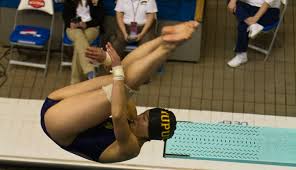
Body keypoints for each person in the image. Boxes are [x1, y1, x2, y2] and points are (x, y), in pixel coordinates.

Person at [40, 21, 199, 163]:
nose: (139, 118)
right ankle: (164, 39)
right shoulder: (132, 116)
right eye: (145, 115)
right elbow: (119, 79)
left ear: (149, 135)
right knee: (124, 76)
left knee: (125, 83)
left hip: (59, 127)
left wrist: (115, 67)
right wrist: (107, 61)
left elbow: (116, 115)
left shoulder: (131, 147)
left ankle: (168, 48)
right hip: (56, 102)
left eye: (145, 121)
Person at [227, 0, 281, 67]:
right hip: (251, 7)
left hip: (269, 11)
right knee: (231, 2)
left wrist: (254, 19)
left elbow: (267, 4)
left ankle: (241, 55)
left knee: (243, 23)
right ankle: (252, 24)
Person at [63, 0, 104, 84]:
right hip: (73, 29)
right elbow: (65, 16)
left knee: (79, 44)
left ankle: (75, 81)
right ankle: (89, 69)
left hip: (91, 28)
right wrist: (71, 23)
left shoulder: (95, 1)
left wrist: (86, 24)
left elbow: (99, 18)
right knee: (79, 35)